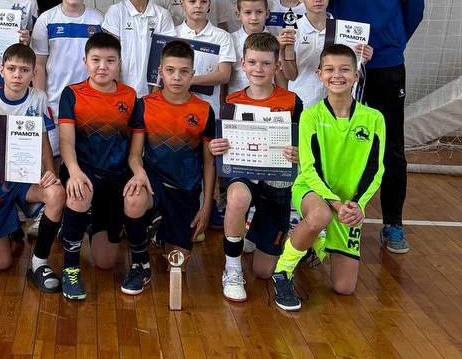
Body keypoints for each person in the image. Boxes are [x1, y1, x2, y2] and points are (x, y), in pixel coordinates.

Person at [322, 0, 424, 254]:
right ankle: (331, 217)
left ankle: (393, 223)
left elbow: (415, 11)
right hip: (341, 71)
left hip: (385, 68)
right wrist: (342, 57)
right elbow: (325, 10)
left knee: (390, 146)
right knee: (336, 142)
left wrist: (388, 45)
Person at [270, 45, 385, 311]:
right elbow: (309, 169)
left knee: (344, 287)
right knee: (319, 215)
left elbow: (375, 168)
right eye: (330, 69)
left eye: (345, 69)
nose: (337, 75)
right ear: (320, 74)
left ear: (356, 75)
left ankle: (314, 242)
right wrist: (334, 203)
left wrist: (358, 205)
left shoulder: (374, 118)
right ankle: (283, 272)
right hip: (312, 190)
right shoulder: (311, 116)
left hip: (349, 203)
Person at [208, 32, 303, 302]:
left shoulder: (292, 102)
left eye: (265, 63)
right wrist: (216, 147)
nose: (258, 69)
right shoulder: (231, 102)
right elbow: (222, 145)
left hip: (277, 182)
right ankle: (232, 268)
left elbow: (303, 144)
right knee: (237, 197)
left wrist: (298, 153)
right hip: (245, 175)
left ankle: (252, 231)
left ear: (277, 66)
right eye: (252, 62)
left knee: (263, 271)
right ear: (243, 64)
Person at [56, 32, 151, 300]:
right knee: (79, 192)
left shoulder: (131, 96)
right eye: (96, 60)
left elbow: (135, 152)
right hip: (83, 170)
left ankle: (139, 262)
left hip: (116, 176)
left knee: (105, 262)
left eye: (110, 61)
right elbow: (66, 142)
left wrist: (139, 173)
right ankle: (71, 268)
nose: (102, 66)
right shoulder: (72, 94)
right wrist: (74, 172)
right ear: (85, 61)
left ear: (119, 63)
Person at [0, 43, 65, 292]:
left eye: (24, 70)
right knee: (2, 264)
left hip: (25, 177)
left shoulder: (38, 98)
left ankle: (39, 262)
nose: (17, 75)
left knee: (56, 193)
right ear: (1, 70)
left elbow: (43, 138)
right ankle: (11, 227)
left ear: (34, 73)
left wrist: (50, 171)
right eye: (11, 68)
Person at [134, 41, 216, 266]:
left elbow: (209, 162)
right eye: (170, 70)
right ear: (160, 72)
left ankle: (160, 233)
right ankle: (142, 249)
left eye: (184, 71)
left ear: (192, 74)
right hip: (154, 184)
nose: (177, 77)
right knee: (134, 199)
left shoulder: (204, 110)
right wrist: (138, 174)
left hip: (185, 192)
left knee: (177, 264)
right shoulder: (145, 105)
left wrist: (206, 206)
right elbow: (134, 154)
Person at [31, 0, 104, 156]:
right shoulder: (46, 19)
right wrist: (41, 101)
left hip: (89, 104)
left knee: (84, 159)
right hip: (55, 103)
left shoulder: (99, 21)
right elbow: (38, 65)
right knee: (51, 159)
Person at [280, 0, 373, 109]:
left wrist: (363, 57)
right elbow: (291, 75)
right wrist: (282, 51)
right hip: (304, 103)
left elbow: (354, 71)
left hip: (338, 106)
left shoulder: (346, 31)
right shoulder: (293, 31)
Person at [101, 0, 175, 97]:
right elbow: (110, 54)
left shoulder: (162, 15)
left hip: (154, 92)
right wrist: (117, 90)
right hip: (121, 91)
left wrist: (156, 91)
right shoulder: (115, 12)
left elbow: (167, 56)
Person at [174, 0, 236, 117]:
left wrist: (190, 80)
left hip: (209, 110)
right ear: (182, 4)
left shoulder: (222, 37)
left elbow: (224, 75)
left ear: (209, 5)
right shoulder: (172, 34)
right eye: (192, 1)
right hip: (176, 109)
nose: (198, 6)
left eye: (203, 1)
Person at [227, 0, 271, 94]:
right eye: (248, 12)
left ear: (267, 13)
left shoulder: (275, 41)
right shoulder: (230, 40)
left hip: (268, 99)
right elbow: (225, 77)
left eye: (259, 12)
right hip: (235, 98)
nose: (254, 17)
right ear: (238, 15)